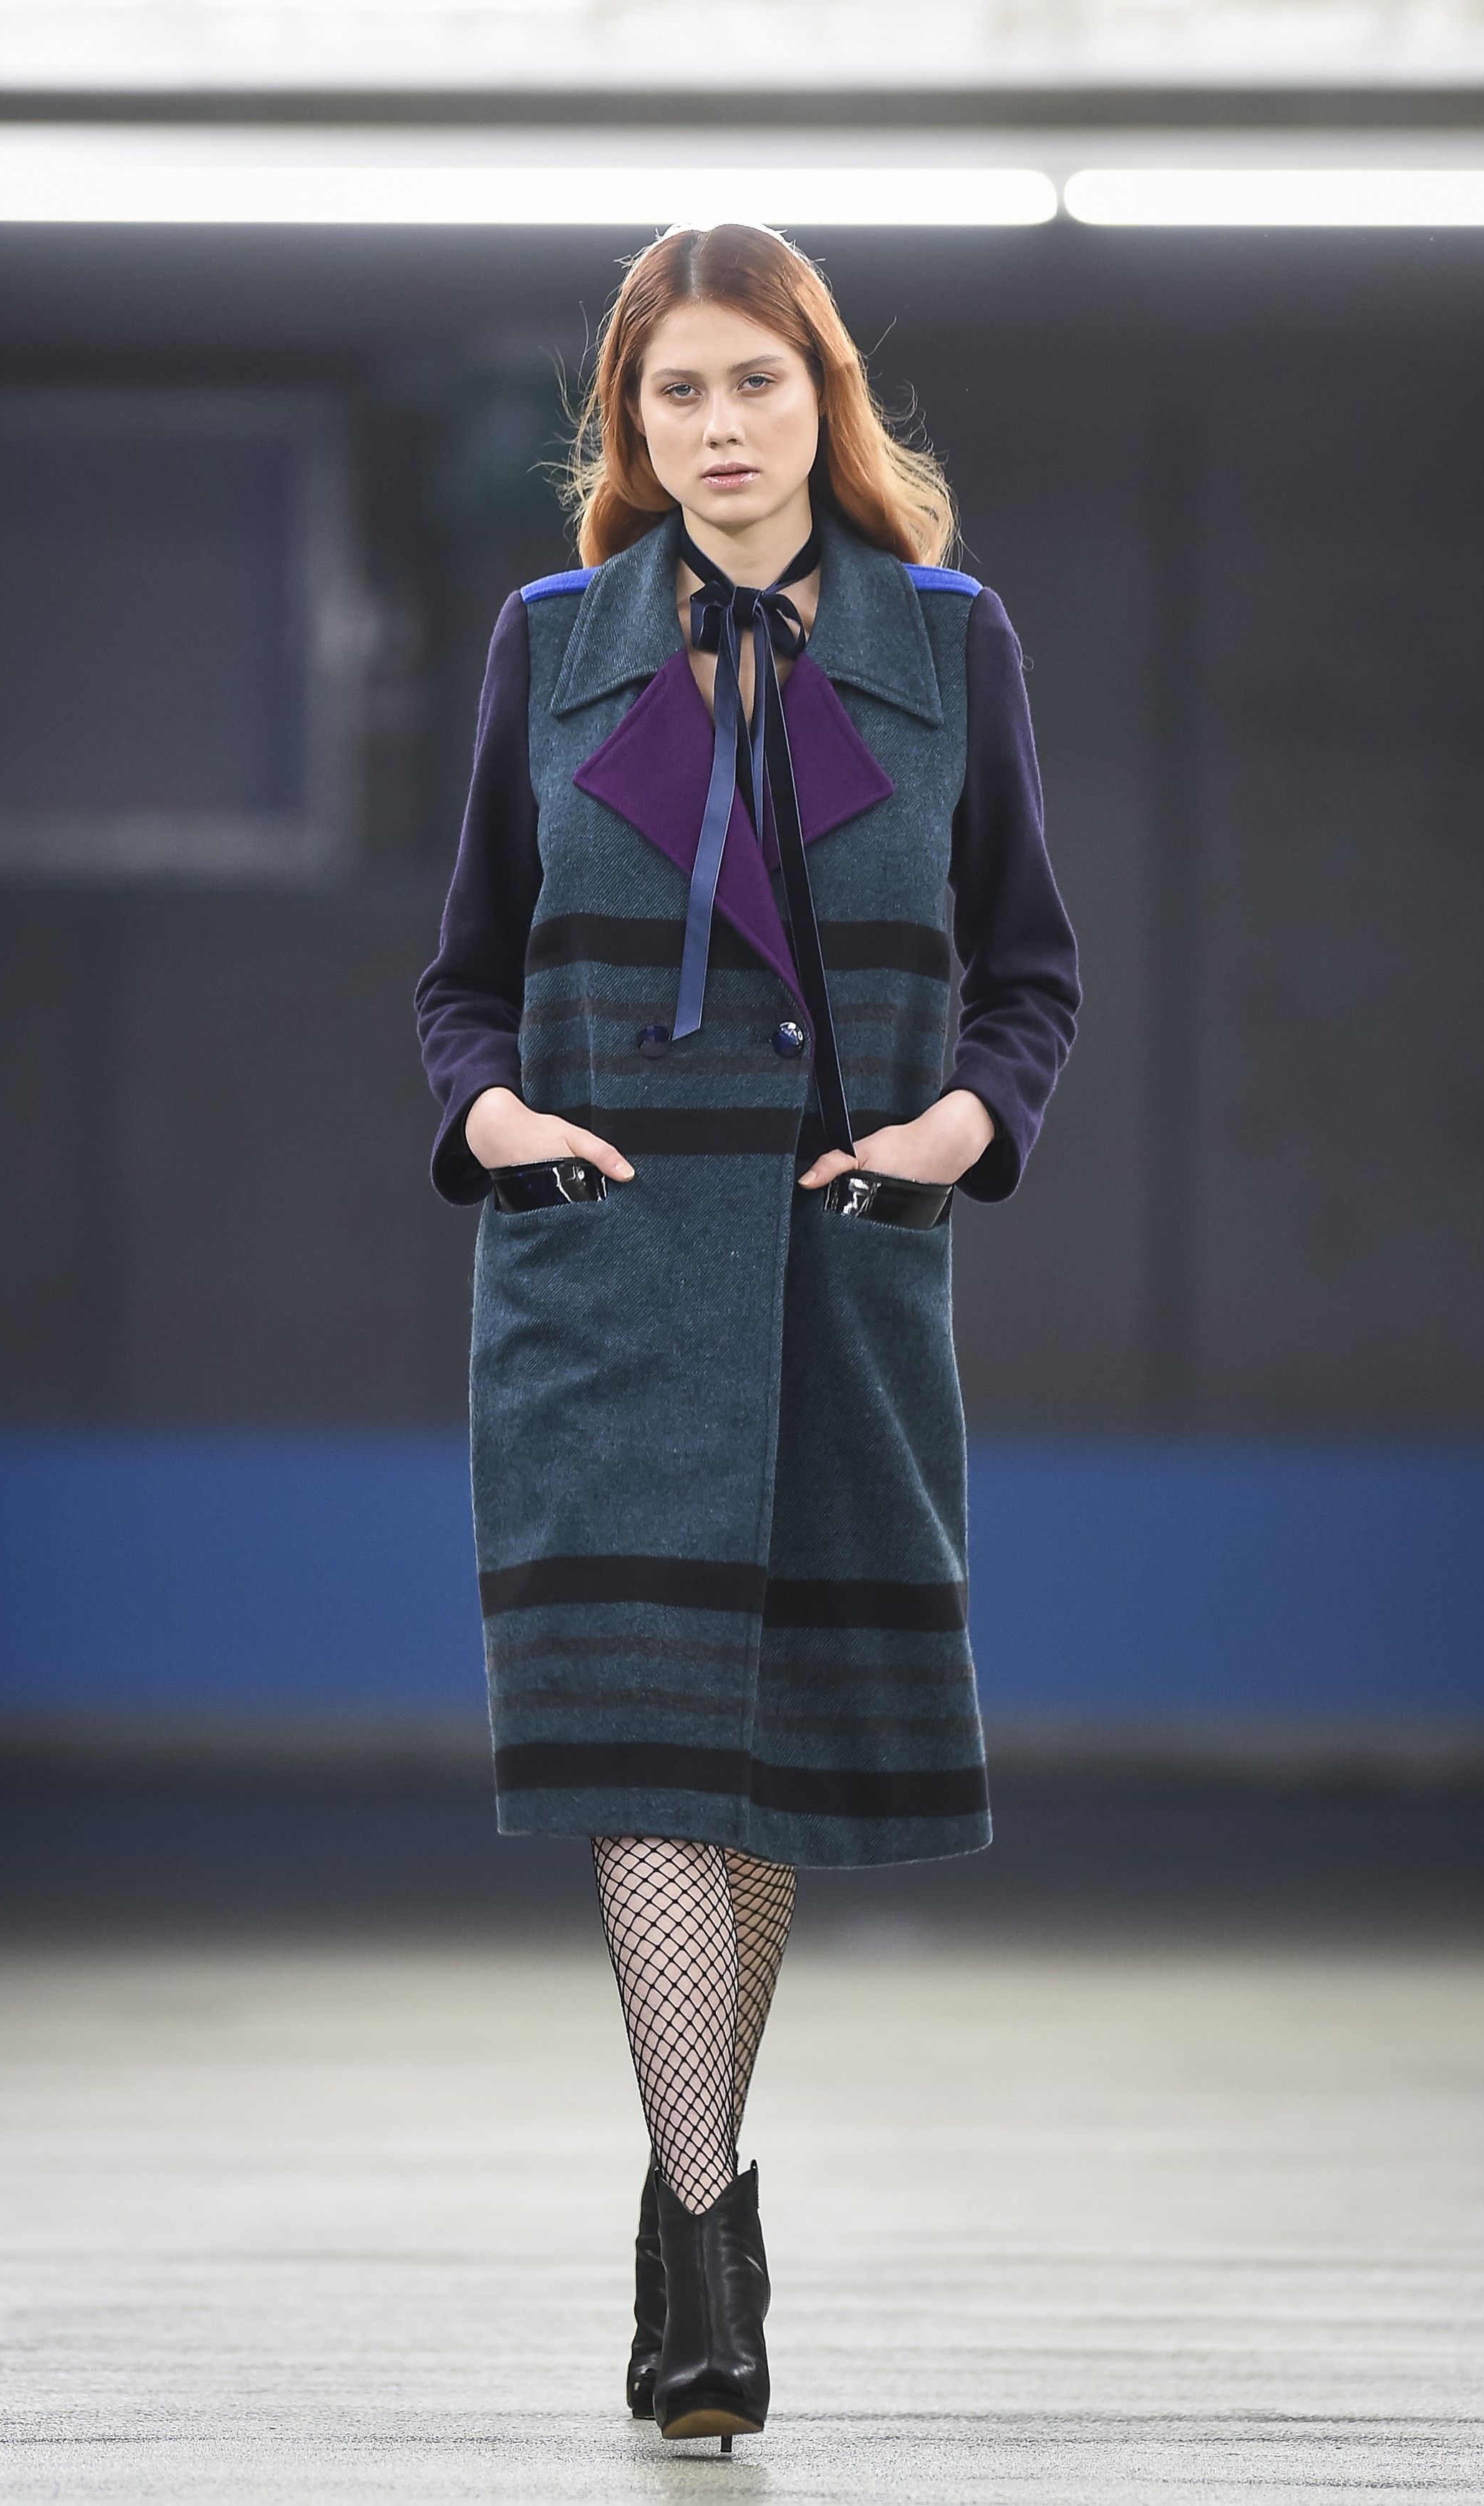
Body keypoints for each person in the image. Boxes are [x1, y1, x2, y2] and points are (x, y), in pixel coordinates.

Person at [414, 222, 1079, 2449]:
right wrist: (495, 1114)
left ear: (825, 399)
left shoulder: (950, 643)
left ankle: (682, 2174)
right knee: (645, 1758)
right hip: (601, 1275)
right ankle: (707, 2248)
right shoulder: (550, 643)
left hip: (839, 1267)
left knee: (771, 1752)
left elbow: (1029, 969)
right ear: (628, 420)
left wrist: (959, 1125)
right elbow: (465, 975)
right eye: (675, 391)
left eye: (756, 383)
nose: (717, 427)